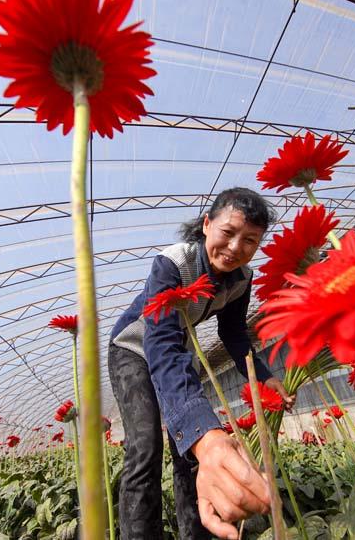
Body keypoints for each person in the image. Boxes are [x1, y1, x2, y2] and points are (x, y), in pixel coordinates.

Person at [108, 187, 295, 540]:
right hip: (134, 350)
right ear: (207, 225)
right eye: (228, 232)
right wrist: (204, 435)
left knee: (190, 453)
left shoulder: (242, 280)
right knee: (147, 445)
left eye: (250, 240)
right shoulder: (173, 263)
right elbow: (159, 339)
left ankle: (198, 533)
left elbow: (235, 334)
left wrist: (264, 377)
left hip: (177, 351)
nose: (236, 247)